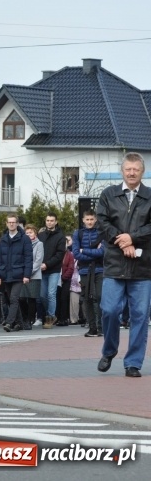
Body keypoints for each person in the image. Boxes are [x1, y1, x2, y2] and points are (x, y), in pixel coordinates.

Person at [95, 152, 151, 378]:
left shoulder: (149, 196)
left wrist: (133, 238)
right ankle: (109, 351)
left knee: (140, 315)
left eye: (135, 169)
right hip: (115, 265)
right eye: (128, 169)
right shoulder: (109, 194)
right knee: (109, 310)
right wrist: (123, 239)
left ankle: (133, 363)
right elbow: (102, 221)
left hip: (143, 268)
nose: (131, 173)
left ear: (142, 171)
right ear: (122, 171)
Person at [0, 214, 32, 332]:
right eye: (9, 222)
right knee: (10, 298)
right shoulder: (4, 238)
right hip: (6, 274)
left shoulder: (24, 238)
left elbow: (28, 258)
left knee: (14, 298)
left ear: (17, 224)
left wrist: (27, 275)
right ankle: (20, 323)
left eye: (13, 222)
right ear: (6, 224)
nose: (11, 224)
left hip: (19, 273)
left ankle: (9, 322)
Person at [72, 209, 104, 337]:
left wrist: (84, 250)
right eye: (87, 219)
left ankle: (101, 327)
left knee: (100, 297)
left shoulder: (101, 233)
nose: (90, 222)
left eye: (92, 219)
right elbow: (76, 254)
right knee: (87, 299)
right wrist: (91, 253)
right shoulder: (78, 234)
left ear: (95, 220)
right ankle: (92, 328)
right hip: (84, 270)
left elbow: (102, 252)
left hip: (100, 269)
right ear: (83, 220)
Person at [37, 212, 66, 328]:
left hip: (53, 269)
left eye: (52, 220)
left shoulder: (60, 236)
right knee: (42, 295)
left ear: (56, 222)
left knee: (51, 293)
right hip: (41, 269)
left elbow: (60, 254)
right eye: (48, 220)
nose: (50, 222)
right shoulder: (41, 235)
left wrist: (47, 264)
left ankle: (50, 316)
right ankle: (48, 314)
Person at [20, 224, 44, 330]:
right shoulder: (23, 244)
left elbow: (38, 261)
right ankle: (24, 318)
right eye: (27, 232)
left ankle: (30, 320)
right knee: (21, 298)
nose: (29, 234)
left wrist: (28, 272)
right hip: (23, 275)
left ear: (35, 233)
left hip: (34, 275)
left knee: (32, 299)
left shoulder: (39, 244)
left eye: (31, 232)